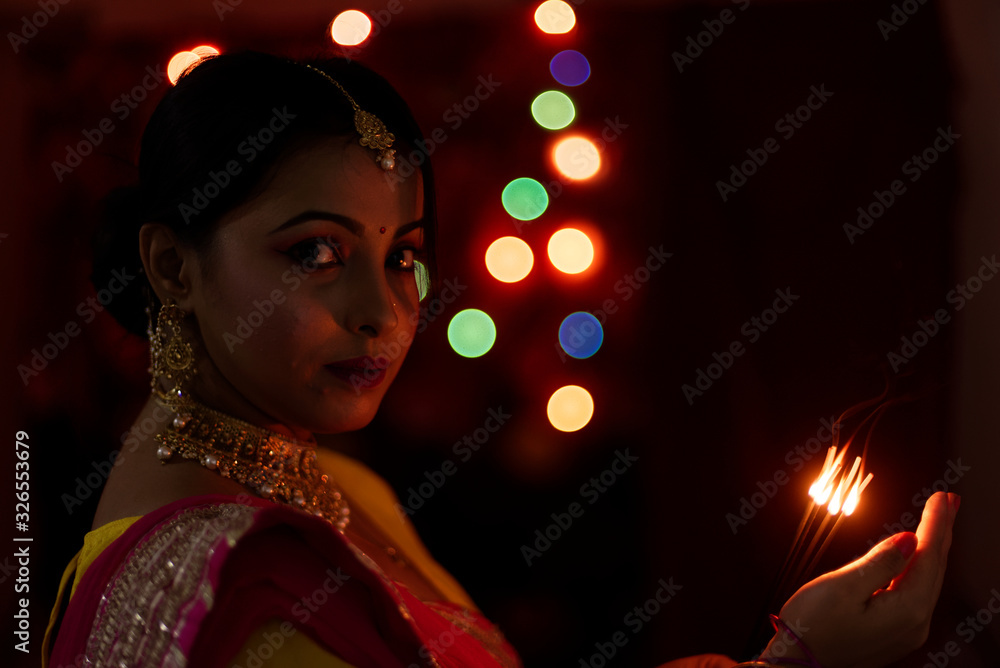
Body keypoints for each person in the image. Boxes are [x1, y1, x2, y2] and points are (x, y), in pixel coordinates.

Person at [41, 50, 958, 668]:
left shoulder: (333, 488)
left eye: (402, 254)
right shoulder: (238, 593)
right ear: (173, 265)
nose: (383, 310)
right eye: (314, 252)